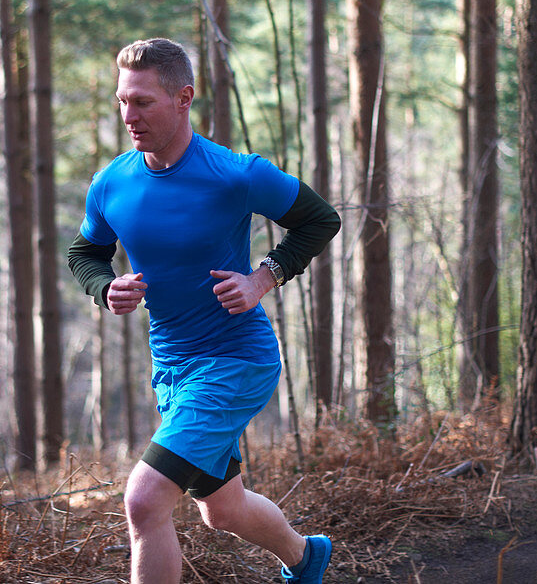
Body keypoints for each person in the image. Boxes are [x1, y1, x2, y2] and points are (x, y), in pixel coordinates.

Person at [67, 38, 341, 584]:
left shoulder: (236, 173)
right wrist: (105, 287)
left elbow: (319, 219)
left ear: (183, 97)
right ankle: (306, 558)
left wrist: (263, 278)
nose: (129, 115)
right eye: (122, 101)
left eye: (143, 101)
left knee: (145, 502)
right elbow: (84, 254)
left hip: (235, 359)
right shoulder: (112, 182)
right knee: (222, 512)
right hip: (172, 368)